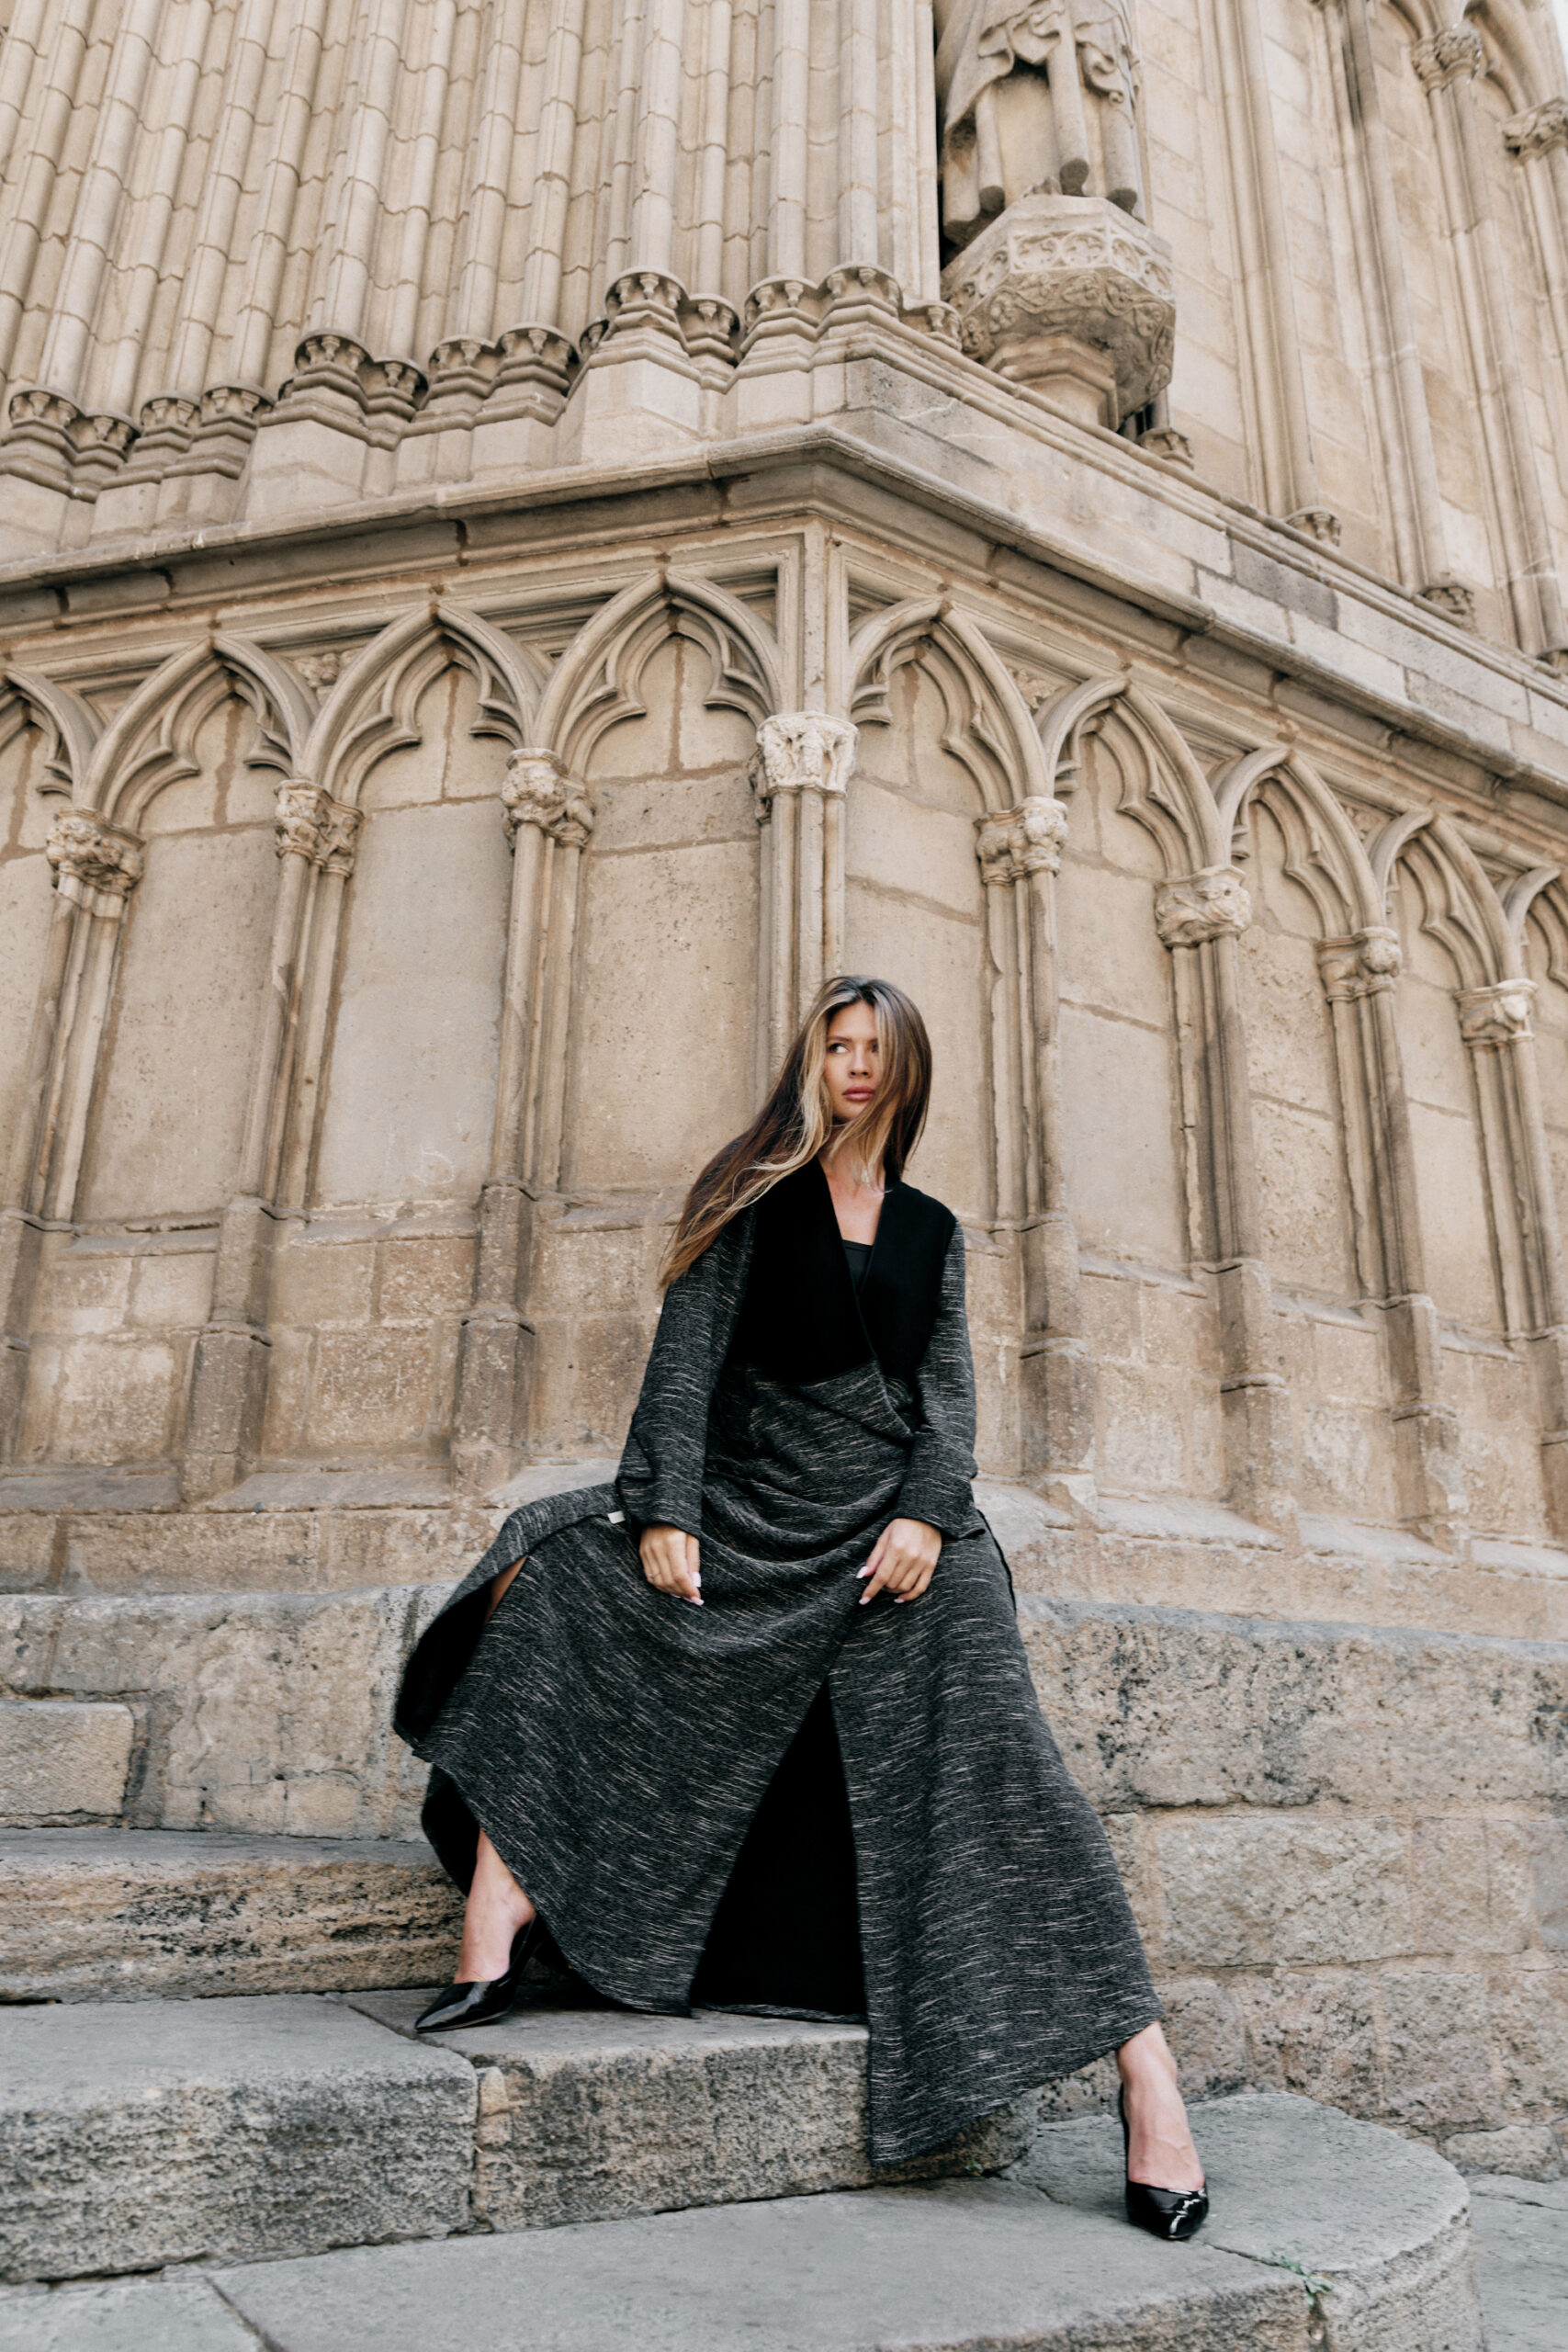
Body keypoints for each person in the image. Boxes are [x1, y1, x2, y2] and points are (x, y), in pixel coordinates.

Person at [393, 975, 1209, 2241]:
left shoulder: (933, 1231)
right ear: (812, 1062)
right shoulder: (751, 1192)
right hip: (759, 1506)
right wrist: (664, 1507)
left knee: (1006, 1753)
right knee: (556, 1573)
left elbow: (949, 1402)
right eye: (837, 1045)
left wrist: (927, 1515)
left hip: (899, 1540)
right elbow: (684, 1363)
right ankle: (502, 1900)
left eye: (876, 1047)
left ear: (907, 1069)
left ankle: (1145, 2074)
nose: (856, 1065)